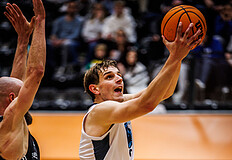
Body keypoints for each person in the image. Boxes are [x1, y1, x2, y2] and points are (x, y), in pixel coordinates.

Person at [79, 22, 202, 159]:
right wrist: (174, 57)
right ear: (94, 88)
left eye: (119, 75)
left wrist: (177, 57)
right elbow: (147, 104)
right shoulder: (99, 111)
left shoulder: (118, 102)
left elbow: (165, 92)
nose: (119, 79)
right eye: (109, 77)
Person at [0, 0, 46, 159]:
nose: (28, 93)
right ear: (12, 98)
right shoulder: (9, 124)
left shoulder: (3, 124)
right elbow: (36, 72)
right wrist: (40, 23)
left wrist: (23, 40)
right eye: (22, 91)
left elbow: (15, 81)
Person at [48, 0, 83, 79]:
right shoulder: (59, 20)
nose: (71, 10)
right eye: (70, 7)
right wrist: (54, 39)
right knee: (48, 43)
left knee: (67, 44)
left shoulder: (79, 21)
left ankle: (63, 67)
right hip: (59, 40)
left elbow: (76, 35)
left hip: (73, 41)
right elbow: (53, 34)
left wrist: (61, 40)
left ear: (77, 9)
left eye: (74, 8)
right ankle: (51, 66)